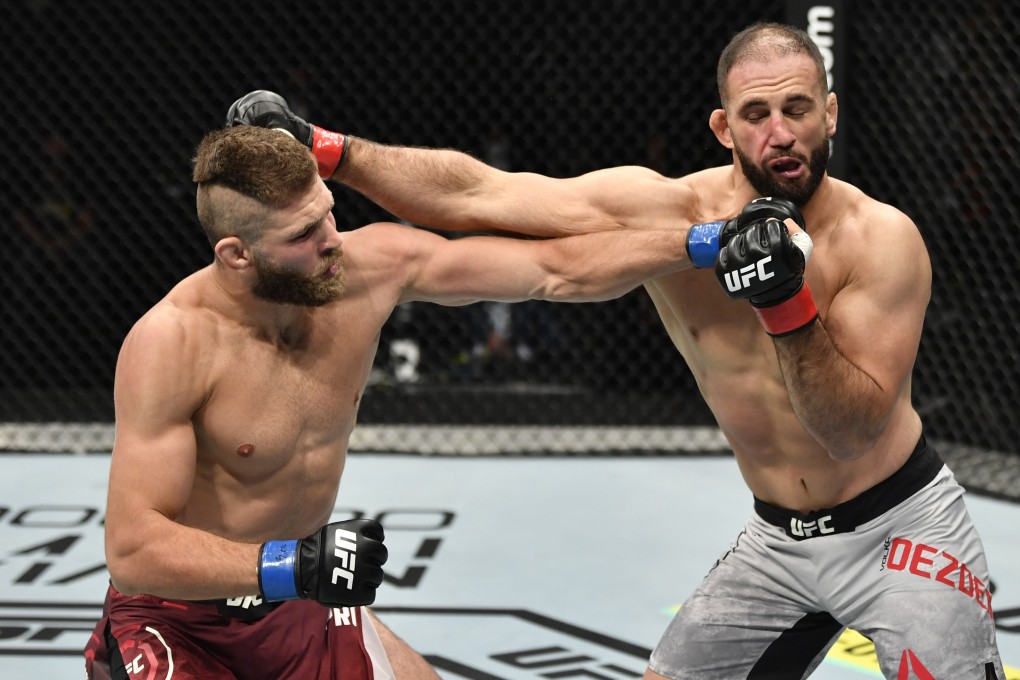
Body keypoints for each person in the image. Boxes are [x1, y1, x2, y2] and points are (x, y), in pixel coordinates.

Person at [228, 21, 1005, 679]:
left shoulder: (884, 241)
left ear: (830, 113)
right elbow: (481, 194)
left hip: (902, 528)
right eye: (757, 113)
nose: (780, 132)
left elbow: (851, 432)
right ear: (723, 128)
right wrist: (324, 148)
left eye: (798, 108)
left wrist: (785, 302)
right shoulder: (671, 213)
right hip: (777, 538)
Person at [83, 124, 698, 680]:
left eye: (327, 214)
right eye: (302, 234)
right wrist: (292, 564)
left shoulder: (366, 269)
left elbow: (552, 269)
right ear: (237, 255)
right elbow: (134, 549)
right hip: (179, 624)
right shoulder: (171, 342)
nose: (331, 241)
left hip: (297, 602)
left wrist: (703, 245)